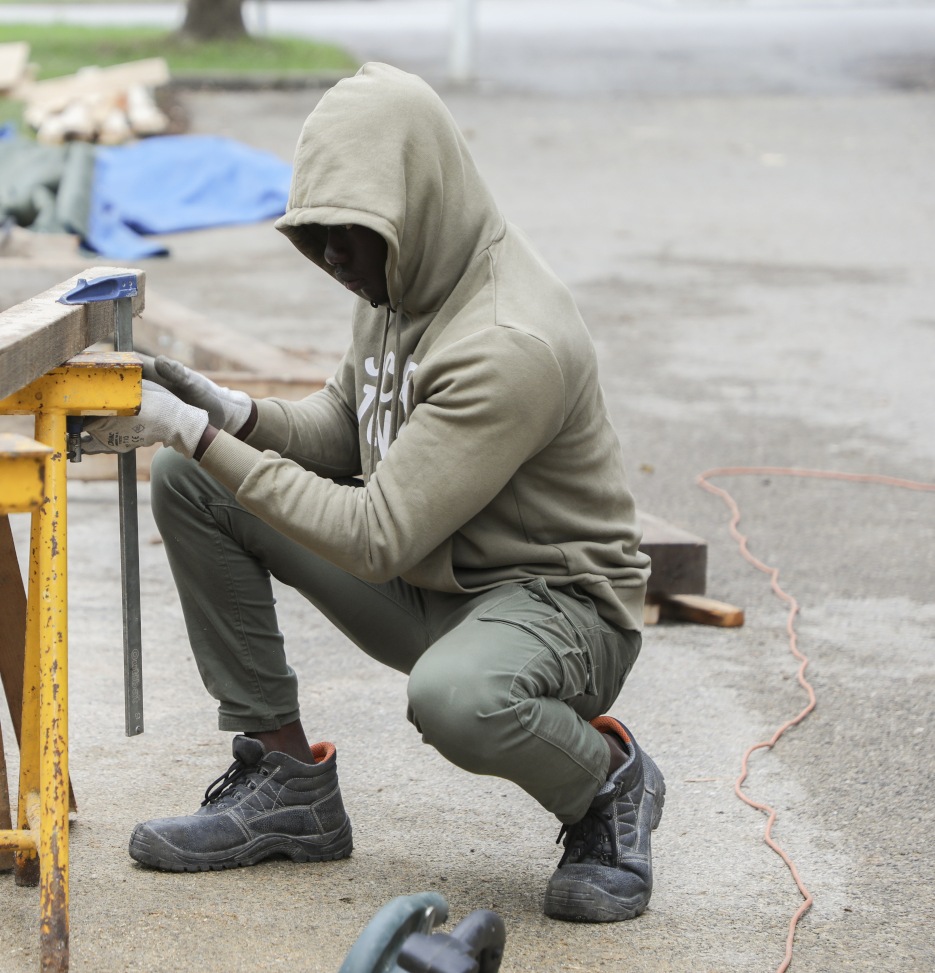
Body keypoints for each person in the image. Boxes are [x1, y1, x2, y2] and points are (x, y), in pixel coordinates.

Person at [82, 63, 661, 923]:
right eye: (315, 239)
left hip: (555, 606)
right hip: (440, 580)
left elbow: (375, 534)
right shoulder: (402, 272)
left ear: (416, 200)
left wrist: (192, 428)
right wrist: (228, 412)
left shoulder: (506, 339)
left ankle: (608, 785)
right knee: (194, 482)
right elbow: (349, 428)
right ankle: (287, 784)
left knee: (456, 700)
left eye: (347, 237)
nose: (333, 260)